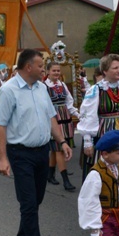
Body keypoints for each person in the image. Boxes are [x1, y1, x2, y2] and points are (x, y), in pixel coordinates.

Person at [0, 49, 73, 236]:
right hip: (21, 154)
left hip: (42, 151)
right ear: (29, 67)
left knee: (36, 199)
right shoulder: (8, 91)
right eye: (41, 65)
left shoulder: (42, 88)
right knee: (29, 203)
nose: (43, 69)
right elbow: (0, 125)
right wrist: (2, 158)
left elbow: (51, 118)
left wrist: (62, 141)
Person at [78, 54, 119, 180]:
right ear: (105, 71)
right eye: (115, 68)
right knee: (104, 170)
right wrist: (87, 141)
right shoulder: (96, 90)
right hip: (104, 133)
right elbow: (88, 116)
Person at [44, 62, 79, 191]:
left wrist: (77, 114)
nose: (57, 73)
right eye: (54, 71)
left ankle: (50, 174)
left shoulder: (62, 84)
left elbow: (69, 102)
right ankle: (65, 180)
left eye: (58, 71)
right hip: (53, 119)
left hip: (65, 118)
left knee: (55, 149)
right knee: (59, 148)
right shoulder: (43, 87)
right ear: (48, 72)